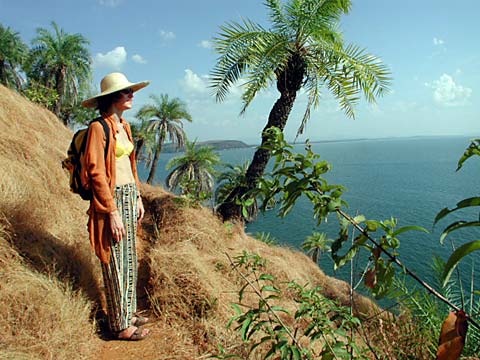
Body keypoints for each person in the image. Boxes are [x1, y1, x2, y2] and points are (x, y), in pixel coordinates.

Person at [81, 72, 150, 340]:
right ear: (112, 98)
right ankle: (119, 326)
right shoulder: (99, 128)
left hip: (129, 195)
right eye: (125, 92)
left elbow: (131, 165)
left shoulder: (124, 126)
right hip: (111, 199)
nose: (131, 95)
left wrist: (138, 197)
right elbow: (96, 171)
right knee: (114, 262)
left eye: (131, 91)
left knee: (129, 257)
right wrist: (111, 211)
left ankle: (128, 311)